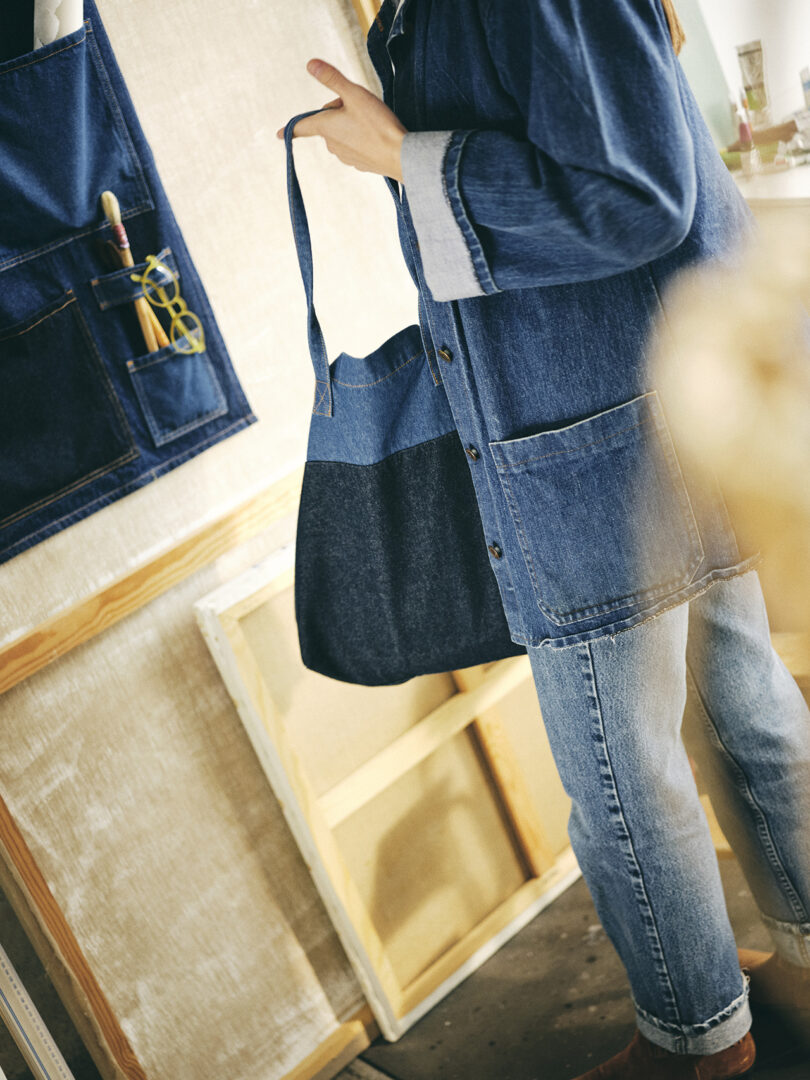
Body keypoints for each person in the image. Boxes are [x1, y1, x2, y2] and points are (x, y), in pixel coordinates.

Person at [277, 2, 810, 1076]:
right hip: (652, 397)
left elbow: (635, 193)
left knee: (619, 771)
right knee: (747, 707)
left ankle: (697, 1041)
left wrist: (404, 155)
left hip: (586, 437)